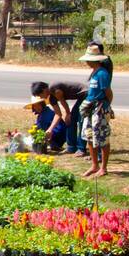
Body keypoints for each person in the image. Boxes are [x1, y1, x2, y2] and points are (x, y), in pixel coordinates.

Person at [78, 43, 113, 178]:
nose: (86, 61)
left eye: (88, 59)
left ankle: (103, 168)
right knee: (89, 136)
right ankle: (94, 165)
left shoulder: (103, 74)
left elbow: (108, 92)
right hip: (90, 108)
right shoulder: (94, 72)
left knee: (102, 138)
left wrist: (106, 107)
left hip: (99, 108)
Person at [30, 79, 87, 155]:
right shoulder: (51, 98)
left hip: (86, 94)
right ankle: (71, 147)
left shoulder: (53, 88)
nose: (41, 98)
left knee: (80, 121)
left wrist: (68, 114)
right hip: (81, 98)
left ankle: (81, 149)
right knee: (70, 121)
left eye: (40, 95)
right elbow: (58, 114)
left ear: (44, 90)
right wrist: (50, 129)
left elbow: (63, 101)